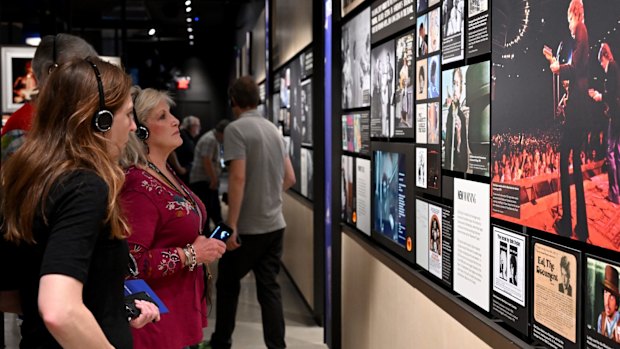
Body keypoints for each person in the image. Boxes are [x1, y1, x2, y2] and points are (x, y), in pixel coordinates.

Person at [0, 58, 159, 349]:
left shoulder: (29, 179)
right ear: (102, 121)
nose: (134, 127)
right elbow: (58, 310)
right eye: (127, 115)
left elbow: (17, 291)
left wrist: (109, 303)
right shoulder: (85, 187)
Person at [119, 87, 227, 349]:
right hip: (154, 321)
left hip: (176, 308)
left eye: (171, 114)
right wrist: (191, 254)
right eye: (162, 116)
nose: (175, 121)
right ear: (140, 129)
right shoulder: (138, 186)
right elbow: (131, 264)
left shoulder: (163, 171)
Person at [209, 76, 296, 349]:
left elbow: (237, 178)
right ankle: (276, 346)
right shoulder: (273, 129)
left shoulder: (236, 129)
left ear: (233, 101)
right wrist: (268, 195)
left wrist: (231, 224)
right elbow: (290, 177)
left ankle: (220, 342)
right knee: (269, 288)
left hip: (246, 227)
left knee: (227, 285)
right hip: (275, 224)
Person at [1, 33, 97, 162]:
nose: (90, 80)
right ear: (52, 72)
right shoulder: (22, 126)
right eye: (81, 71)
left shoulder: (65, 118)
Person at [547, 0, 589, 240]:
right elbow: (578, 74)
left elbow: (576, 69)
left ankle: (568, 222)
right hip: (578, 108)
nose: (569, 24)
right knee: (575, 165)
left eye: (569, 19)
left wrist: (558, 67)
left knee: (564, 161)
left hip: (578, 112)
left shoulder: (581, 30)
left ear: (575, 14)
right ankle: (580, 226)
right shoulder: (580, 36)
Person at [589, 43, 620, 204]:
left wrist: (600, 96)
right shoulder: (615, 68)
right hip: (616, 115)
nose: (601, 66)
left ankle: (615, 193)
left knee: (610, 153)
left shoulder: (611, 68)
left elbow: (613, 94)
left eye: (601, 62)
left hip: (615, 117)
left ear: (604, 57)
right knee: (617, 152)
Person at [190, 119, 230, 228]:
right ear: (222, 133)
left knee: (213, 211)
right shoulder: (210, 139)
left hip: (205, 181)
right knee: (208, 211)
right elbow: (206, 160)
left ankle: (217, 237)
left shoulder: (214, 139)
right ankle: (210, 238)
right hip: (202, 181)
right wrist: (214, 179)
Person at [445, 67, 469, 172]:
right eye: (453, 84)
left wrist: (459, 136)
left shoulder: (463, 115)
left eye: (457, 84)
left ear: (461, 88)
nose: (455, 89)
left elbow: (465, 163)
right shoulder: (450, 113)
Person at [169, 115, 201, 184]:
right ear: (191, 126)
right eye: (197, 125)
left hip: (185, 174)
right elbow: (171, 149)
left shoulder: (188, 137)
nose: (199, 128)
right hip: (178, 175)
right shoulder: (182, 135)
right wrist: (179, 168)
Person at [597, 265, 620, 341]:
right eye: (605, 293)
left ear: (616, 305)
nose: (606, 302)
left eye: (611, 297)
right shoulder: (601, 318)